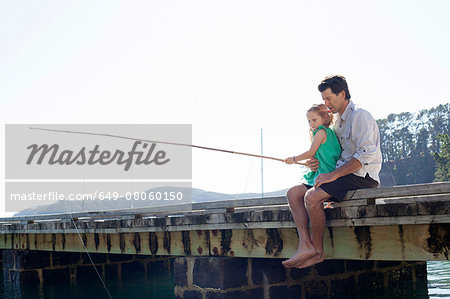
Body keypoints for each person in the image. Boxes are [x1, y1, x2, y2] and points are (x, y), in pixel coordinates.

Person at [282, 75, 382, 269]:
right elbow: (330, 153)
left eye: (329, 98)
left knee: (312, 197)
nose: (326, 104)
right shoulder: (336, 121)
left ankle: (318, 252)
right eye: (323, 100)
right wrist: (314, 164)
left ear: (342, 94)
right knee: (294, 194)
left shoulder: (360, 115)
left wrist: (332, 175)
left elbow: (366, 155)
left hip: (363, 176)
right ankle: (305, 245)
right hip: (340, 174)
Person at [284, 104, 341, 187]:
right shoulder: (327, 132)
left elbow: (311, 152)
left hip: (326, 171)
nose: (311, 123)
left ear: (324, 118)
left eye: (314, 120)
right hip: (328, 170)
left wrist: (294, 159)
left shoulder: (321, 132)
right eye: (309, 121)